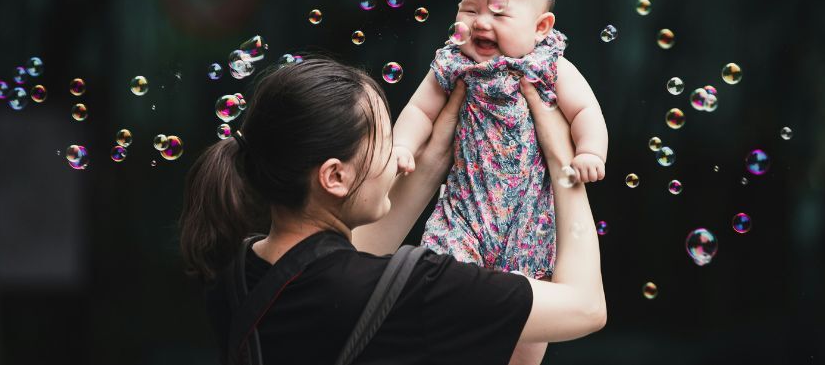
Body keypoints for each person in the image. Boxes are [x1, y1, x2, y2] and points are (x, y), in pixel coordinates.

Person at [179, 57, 605, 364]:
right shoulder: (418, 290)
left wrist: (437, 156)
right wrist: (561, 163)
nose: (397, 158)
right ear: (334, 177)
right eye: (386, 143)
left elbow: (343, 270)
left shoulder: (233, 279)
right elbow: (585, 308)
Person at [390, 0, 609, 364]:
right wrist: (403, 145)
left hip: (528, 224)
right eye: (470, 10)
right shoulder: (454, 64)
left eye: (498, 14)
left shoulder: (549, 65)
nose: (481, 23)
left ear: (541, 26)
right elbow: (420, 110)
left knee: (530, 334)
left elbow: (586, 111)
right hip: (465, 215)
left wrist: (589, 151)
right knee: (448, 303)